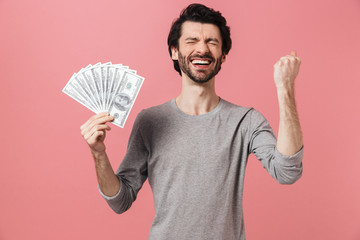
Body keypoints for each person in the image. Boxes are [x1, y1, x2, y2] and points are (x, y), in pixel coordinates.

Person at [80, 3, 303, 240]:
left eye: (212, 42)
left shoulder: (246, 121)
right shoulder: (149, 122)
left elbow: (287, 172)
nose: (202, 49)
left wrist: (285, 88)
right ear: (174, 51)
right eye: (191, 41)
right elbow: (120, 201)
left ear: (223, 55)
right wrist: (98, 153)